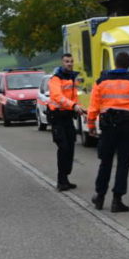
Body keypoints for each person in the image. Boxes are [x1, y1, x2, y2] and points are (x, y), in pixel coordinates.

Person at [87, 50, 129, 213]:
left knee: (105, 162)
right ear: (128, 64)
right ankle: (117, 200)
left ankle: (100, 196)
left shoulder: (101, 81)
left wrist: (90, 126)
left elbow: (93, 105)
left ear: (115, 64)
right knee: (123, 163)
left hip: (108, 127)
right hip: (127, 127)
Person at [48, 53, 86, 191]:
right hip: (57, 117)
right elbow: (58, 97)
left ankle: (66, 178)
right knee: (63, 148)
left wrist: (80, 108)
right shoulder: (56, 79)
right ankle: (61, 180)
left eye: (71, 61)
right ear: (62, 62)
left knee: (70, 147)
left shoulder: (71, 78)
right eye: (66, 61)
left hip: (68, 117)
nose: (69, 64)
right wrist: (73, 106)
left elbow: (74, 97)